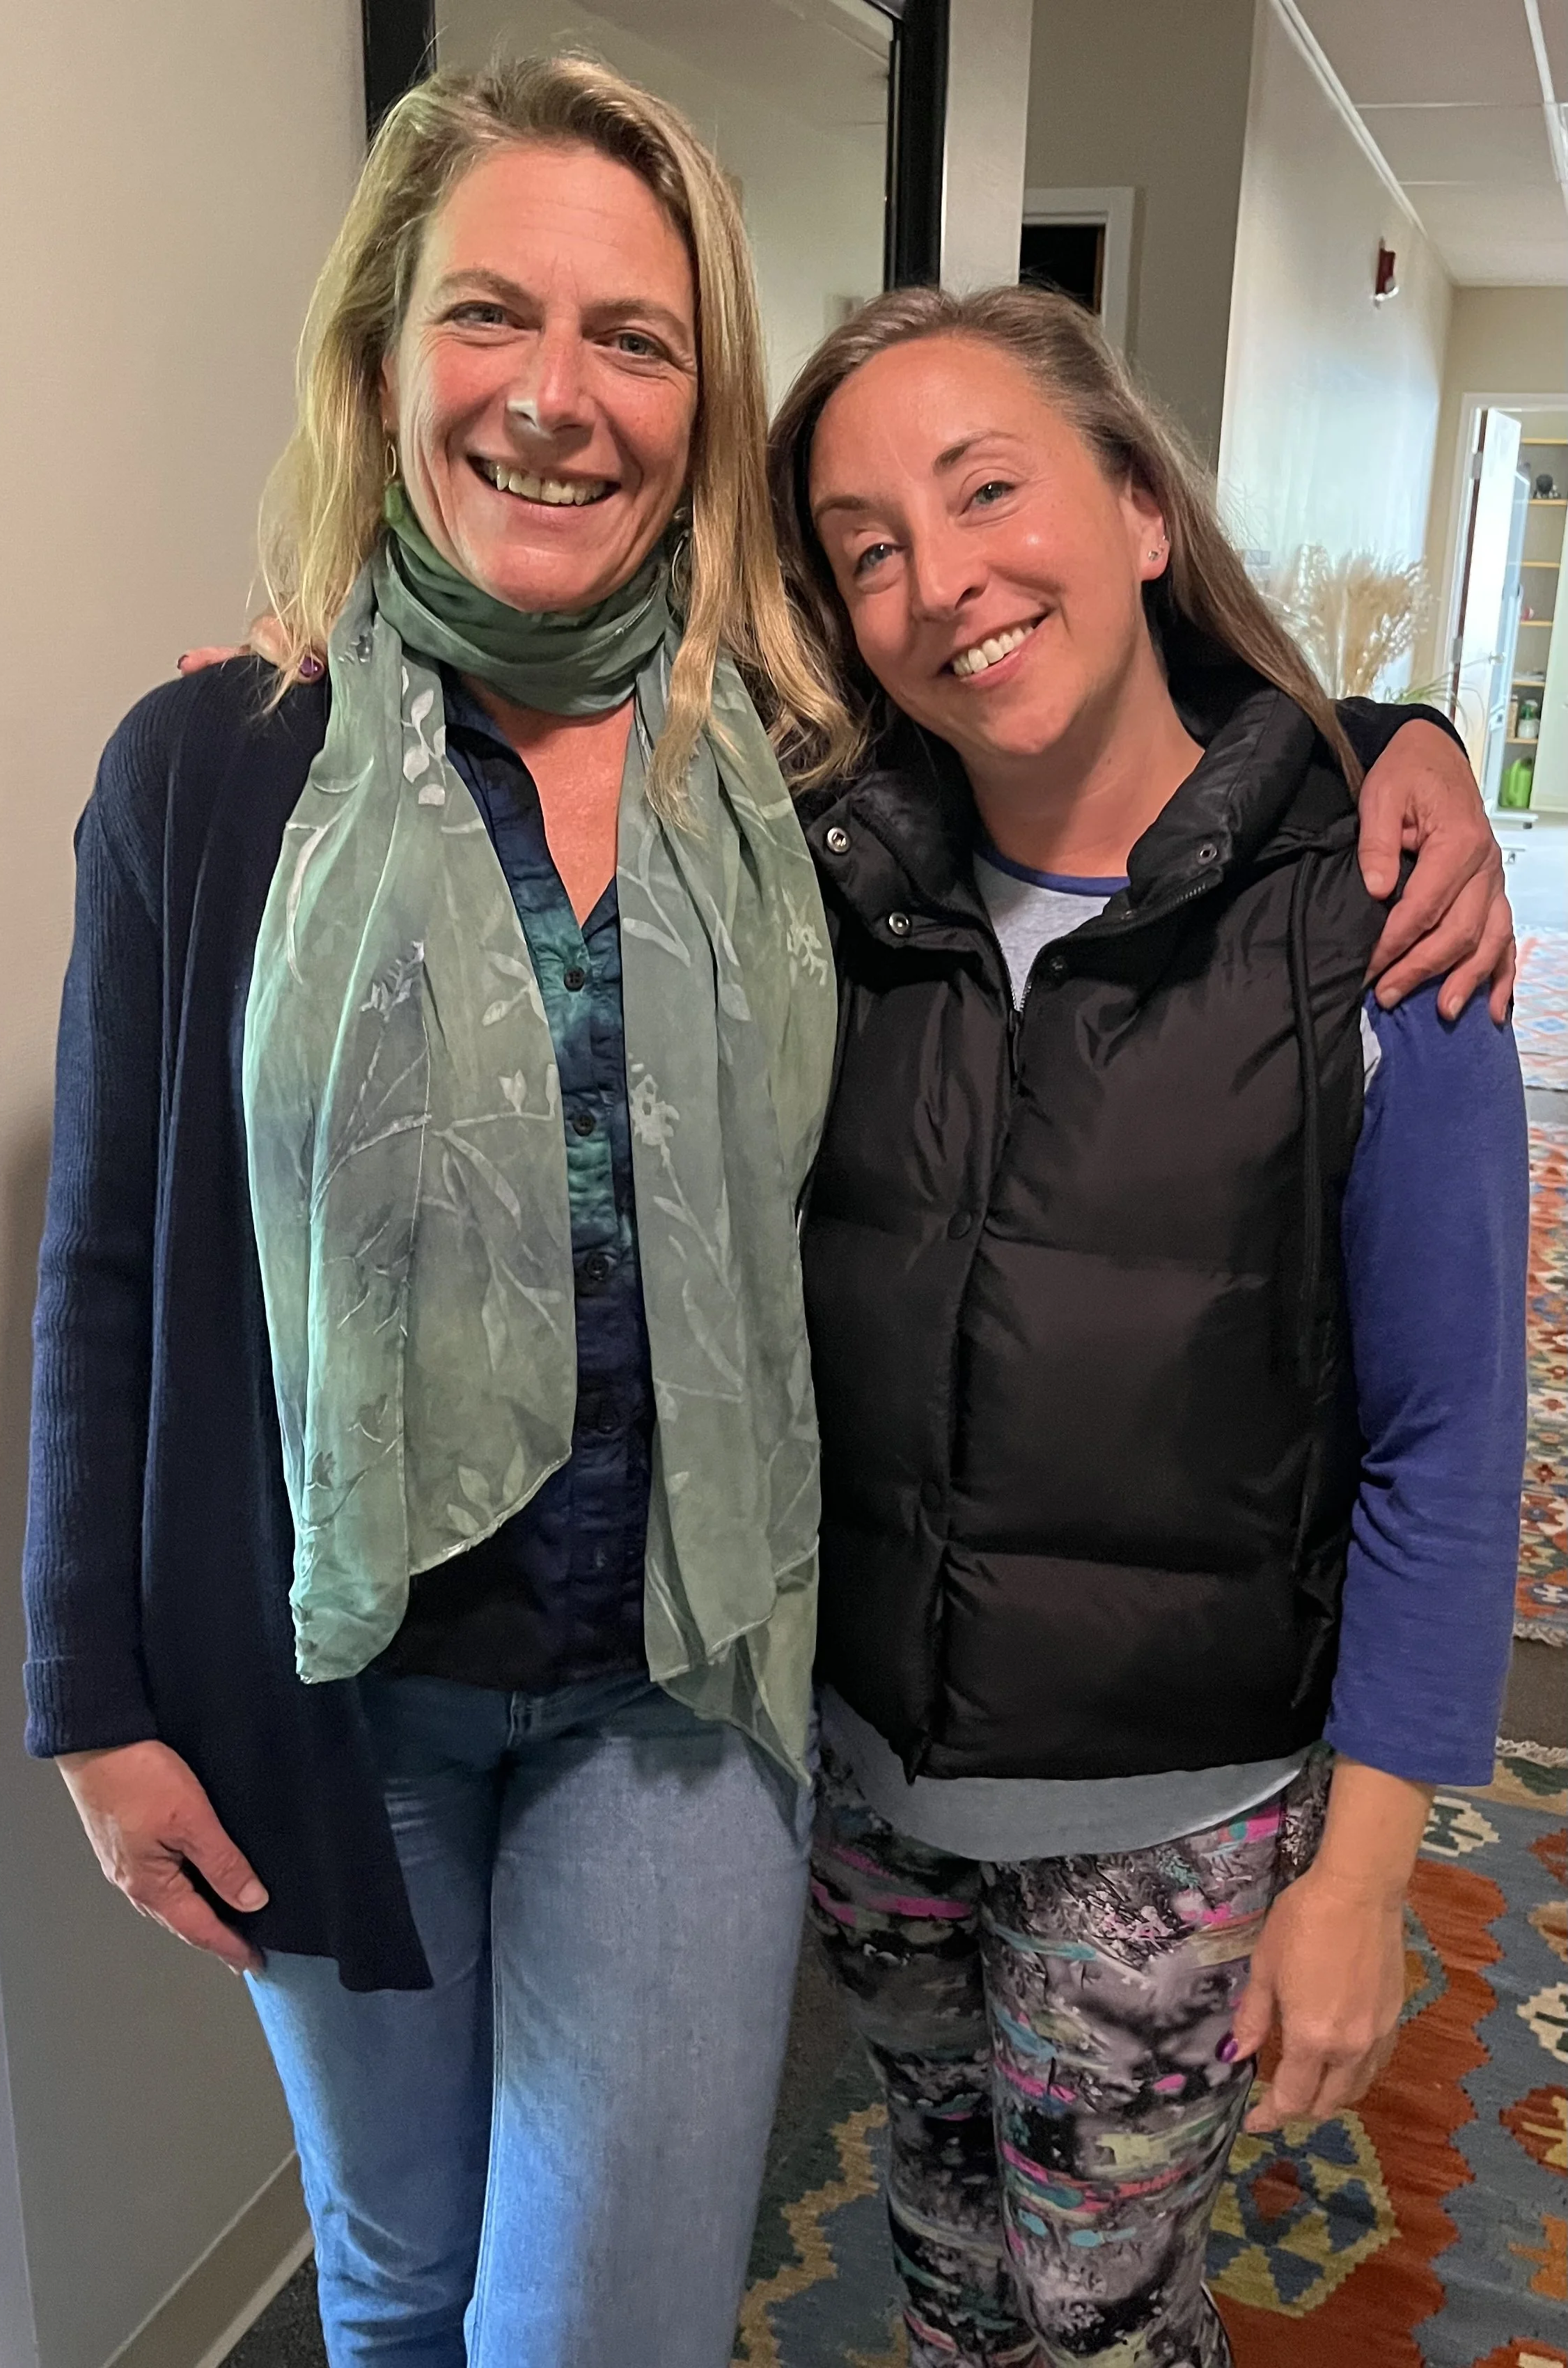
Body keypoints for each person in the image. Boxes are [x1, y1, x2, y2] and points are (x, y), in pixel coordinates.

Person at [29, 54, 1505, 2368]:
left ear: (694, 402)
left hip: (693, 1693)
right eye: (490, 319)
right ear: (380, 354)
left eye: (635, 339)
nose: (555, 396)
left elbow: (1108, 688)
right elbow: (111, 1259)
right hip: (330, 1680)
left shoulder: (785, 753)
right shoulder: (231, 769)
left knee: (604, 2319)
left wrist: (1399, 741)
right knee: (397, 2269)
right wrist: (85, 1696)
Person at [767, 283, 1527, 2368]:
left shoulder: (1380, 911)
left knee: (1103, 2316)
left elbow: (1450, 1444)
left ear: (1139, 509)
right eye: (868, 545)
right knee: (941, 2260)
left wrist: (1362, 1876)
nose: (943, 580)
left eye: (987, 488)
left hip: (1170, 1817)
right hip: (872, 1780)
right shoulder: (820, 897)